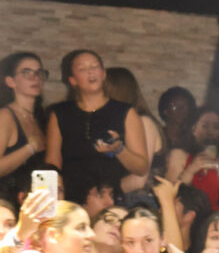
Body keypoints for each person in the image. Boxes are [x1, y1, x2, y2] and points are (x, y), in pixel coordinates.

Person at [45, 50, 149, 193]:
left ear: (103, 74)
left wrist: (119, 150)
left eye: (94, 66)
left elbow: (142, 168)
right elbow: (52, 163)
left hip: (108, 198)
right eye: (82, 69)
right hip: (71, 196)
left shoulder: (125, 112)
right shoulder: (60, 113)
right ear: (73, 80)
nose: (91, 72)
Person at [105, 67, 167, 194]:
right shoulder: (118, 123)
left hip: (141, 200)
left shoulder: (144, 122)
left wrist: (104, 194)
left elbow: (138, 181)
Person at [165, 108, 219, 211]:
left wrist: (218, 164)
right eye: (205, 126)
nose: (210, 132)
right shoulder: (179, 156)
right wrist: (192, 169)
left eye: (216, 127)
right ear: (194, 129)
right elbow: (168, 195)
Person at [0, 52, 48, 196]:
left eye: (39, 73)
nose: (35, 78)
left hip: (36, 198)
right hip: (7, 199)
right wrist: (30, 148)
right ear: (10, 81)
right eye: (26, 73)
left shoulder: (41, 116)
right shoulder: (5, 116)